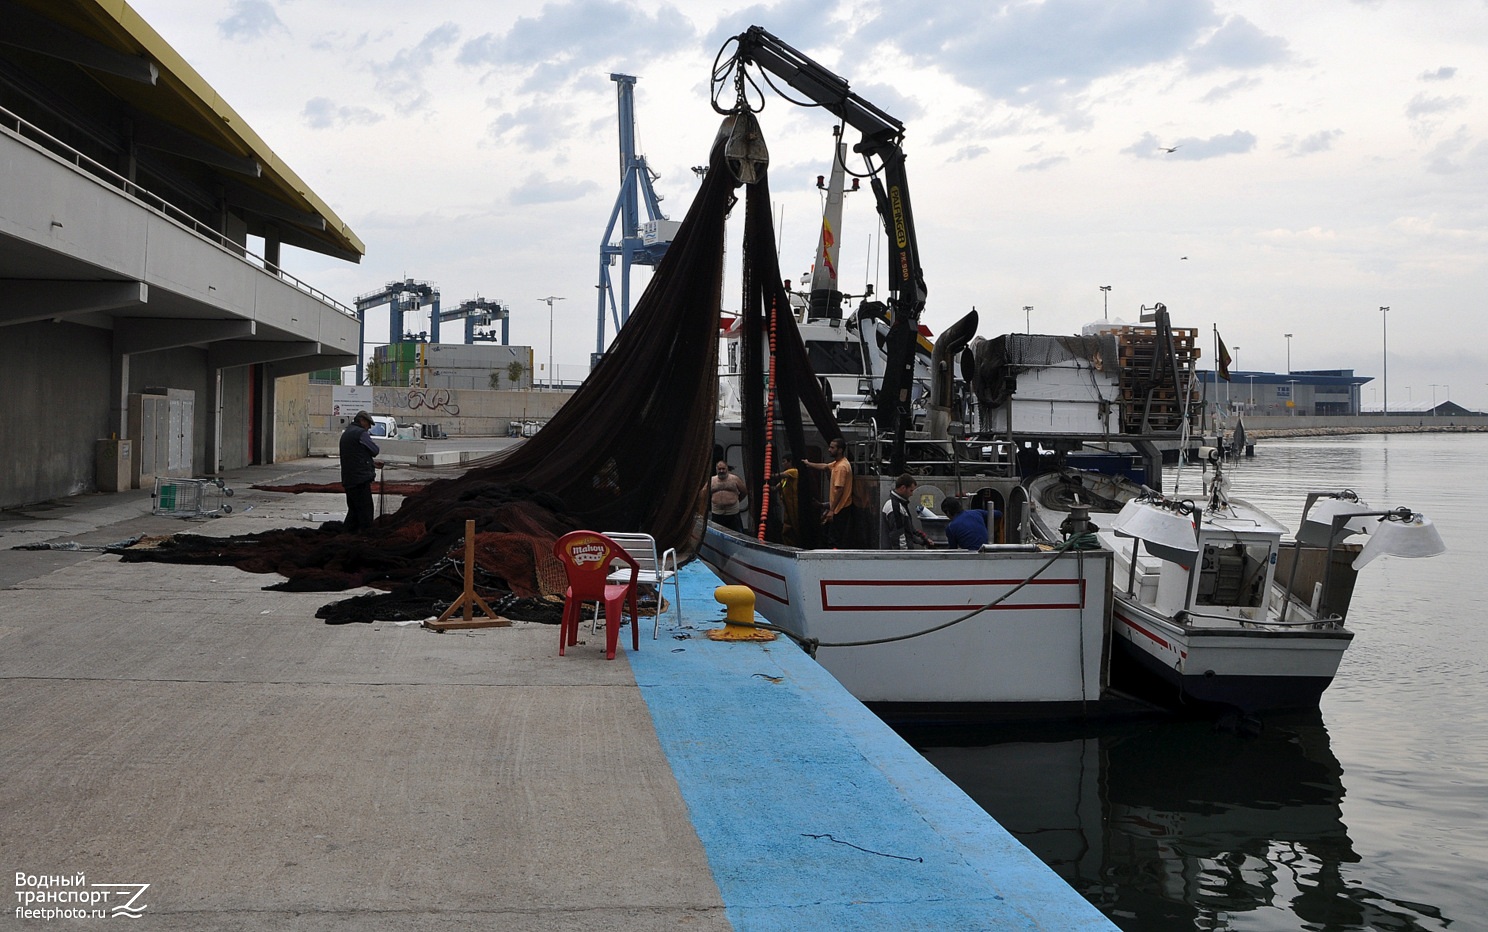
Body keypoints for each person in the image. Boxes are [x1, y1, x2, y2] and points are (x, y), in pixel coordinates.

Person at [802, 438, 854, 548]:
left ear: (840, 450)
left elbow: (839, 490)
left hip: (840, 508)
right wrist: (809, 464)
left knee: (834, 539)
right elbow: (825, 466)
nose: (829, 449)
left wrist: (831, 510)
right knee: (829, 535)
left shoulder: (841, 467)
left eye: (832, 447)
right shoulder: (837, 463)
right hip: (837, 508)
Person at [339, 410, 384, 533]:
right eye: (368, 424)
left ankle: (346, 537)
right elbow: (374, 450)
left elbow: (354, 457)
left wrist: (372, 464)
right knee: (366, 513)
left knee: (353, 512)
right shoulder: (361, 433)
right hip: (360, 480)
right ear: (362, 421)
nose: (369, 427)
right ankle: (364, 538)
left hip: (349, 479)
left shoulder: (347, 433)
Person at [881, 473, 935, 549]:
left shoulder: (899, 505)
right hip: (897, 556)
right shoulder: (895, 507)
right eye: (911, 490)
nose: (912, 494)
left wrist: (923, 540)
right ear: (903, 488)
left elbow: (909, 530)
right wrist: (905, 556)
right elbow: (898, 536)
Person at [707, 460, 749, 531]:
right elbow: (704, 493)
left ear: (727, 468)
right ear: (716, 469)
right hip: (717, 513)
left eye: (723, 469)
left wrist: (736, 500)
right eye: (719, 469)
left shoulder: (735, 479)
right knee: (717, 535)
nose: (721, 471)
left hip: (733, 513)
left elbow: (744, 491)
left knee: (737, 535)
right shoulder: (712, 480)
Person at [771, 454, 801, 546]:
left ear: (790, 462)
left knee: (795, 526)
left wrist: (769, 474)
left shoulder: (793, 471)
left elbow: (780, 475)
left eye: (784, 461)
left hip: (794, 505)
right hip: (787, 506)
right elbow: (776, 488)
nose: (783, 464)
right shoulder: (785, 479)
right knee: (787, 528)